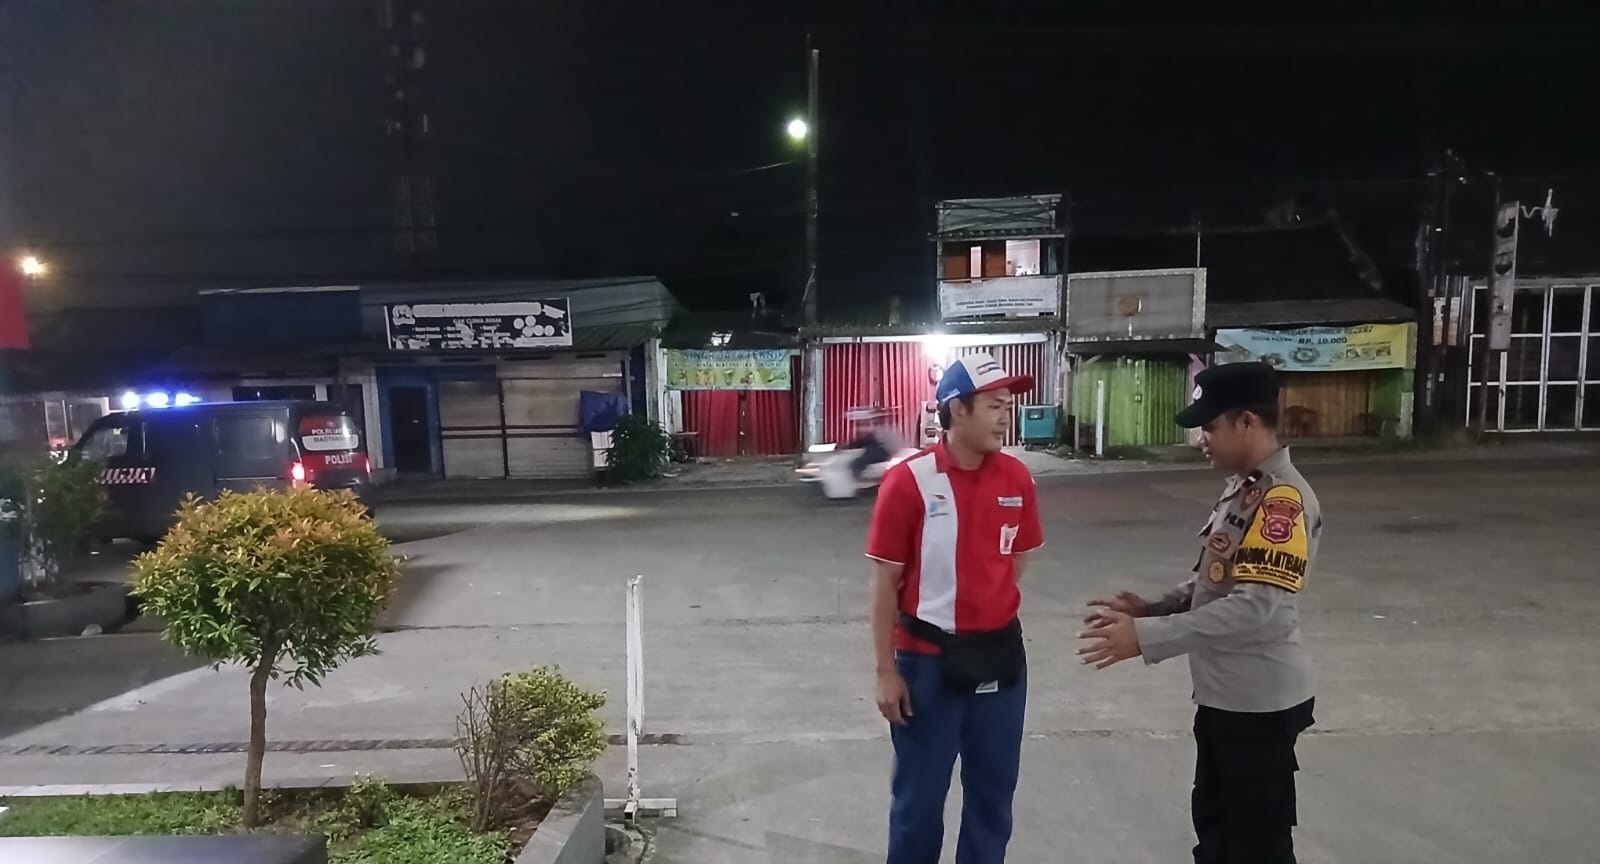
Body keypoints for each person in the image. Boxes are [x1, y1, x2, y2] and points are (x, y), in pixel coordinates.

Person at [1078, 361, 1321, 864]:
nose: (1202, 440)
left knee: (1254, 846)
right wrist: (1156, 607)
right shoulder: (1246, 488)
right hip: (1228, 699)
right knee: (1218, 833)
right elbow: (1219, 580)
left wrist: (1147, 637)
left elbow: (1255, 608)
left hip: (1257, 704)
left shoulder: (1281, 500)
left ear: (1247, 421)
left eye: (1210, 427)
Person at [865, 352, 1044, 864]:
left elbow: (1017, 558)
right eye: (993, 406)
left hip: (1000, 660)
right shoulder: (909, 482)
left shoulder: (1016, 478)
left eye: (1007, 406)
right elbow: (885, 582)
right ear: (956, 410)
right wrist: (885, 671)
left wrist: (983, 610)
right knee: (919, 801)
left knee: (993, 795)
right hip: (927, 666)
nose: (1005, 417)